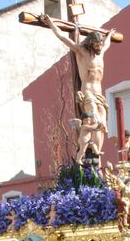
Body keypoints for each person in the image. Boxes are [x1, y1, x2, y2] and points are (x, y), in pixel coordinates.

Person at [40, 13, 115, 165]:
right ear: (91, 42)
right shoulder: (81, 51)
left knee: (102, 125)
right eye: (97, 44)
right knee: (93, 119)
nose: (100, 47)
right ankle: (87, 149)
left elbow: (107, 43)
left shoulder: (101, 53)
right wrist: (50, 23)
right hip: (87, 91)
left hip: (99, 94)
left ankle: (96, 154)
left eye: (101, 44)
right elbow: (63, 37)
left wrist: (110, 35)